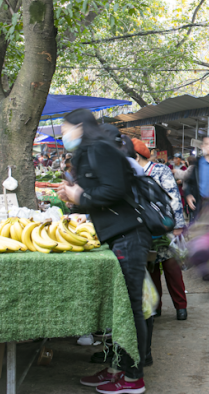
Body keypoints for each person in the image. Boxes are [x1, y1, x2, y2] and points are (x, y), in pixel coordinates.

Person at [56, 109, 151, 394]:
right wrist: (74, 196)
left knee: (132, 307)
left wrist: (80, 195)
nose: (64, 136)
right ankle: (116, 368)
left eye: (65, 130)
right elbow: (99, 195)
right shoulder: (89, 152)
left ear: (80, 128)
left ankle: (133, 377)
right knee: (118, 308)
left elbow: (114, 189)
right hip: (114, 235)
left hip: (129, 236)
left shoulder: (101, 149)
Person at [131, 138, 189, 321]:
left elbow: (174, 198)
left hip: (165, 228)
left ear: (136, 155)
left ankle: (181, 307)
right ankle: (157, 308)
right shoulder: (131, 173)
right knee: (152, 267)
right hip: (144, 230)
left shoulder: (160, 170)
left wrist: (178, 225)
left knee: (171, 267)